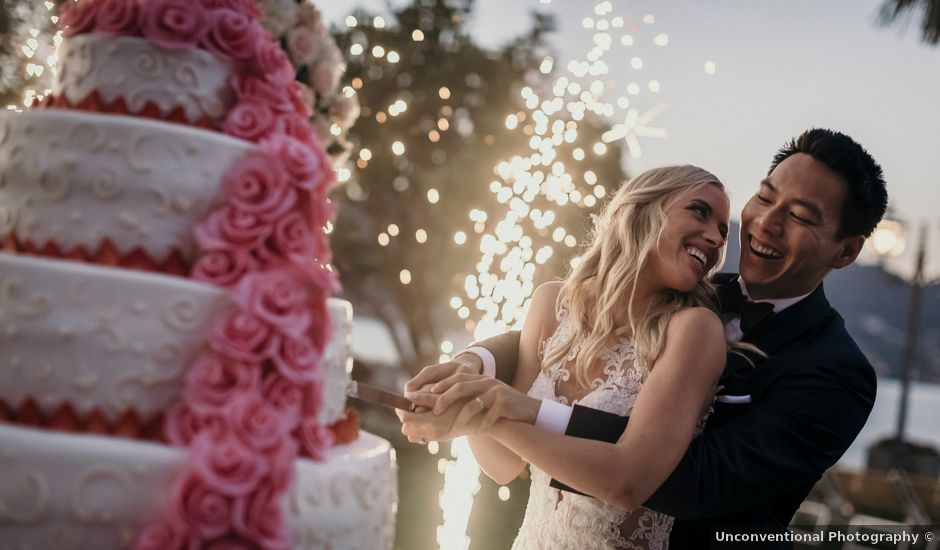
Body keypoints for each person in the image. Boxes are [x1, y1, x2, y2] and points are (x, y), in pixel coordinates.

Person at [400, 128, 888, 549]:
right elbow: (570, 334)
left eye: (800, 216)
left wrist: (515, 410)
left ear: (846, 251)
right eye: (765, 196)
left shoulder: (837, 374)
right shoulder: (689, 291)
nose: (765, 222)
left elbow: (692, 479)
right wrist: (472, 366)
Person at [412, 163, 735, 548]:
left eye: (722, 229)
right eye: (699, 211)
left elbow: (626, 484)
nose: (715, 238)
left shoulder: (694, 331)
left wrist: (492, 412)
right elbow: (503, 464)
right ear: (644, 207)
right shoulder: (552, 303)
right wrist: (460, 405)